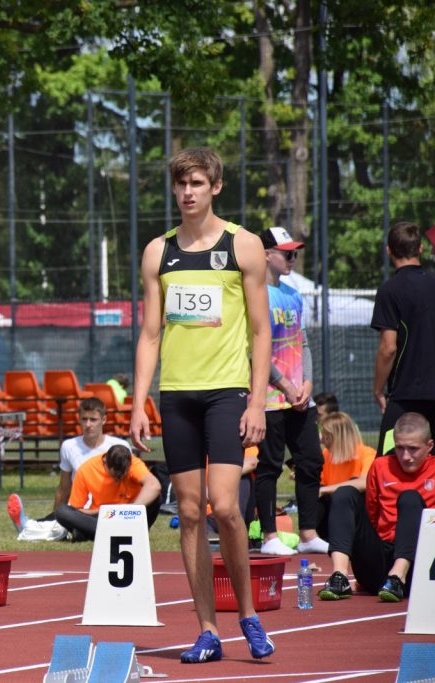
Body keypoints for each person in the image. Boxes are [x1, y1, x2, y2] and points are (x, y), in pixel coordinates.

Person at [128, 148, 275, 664]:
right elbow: (150, 334)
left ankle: (250, 617)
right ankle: (207, 630)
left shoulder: (244, 246)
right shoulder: (158, 253)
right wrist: (138, 399)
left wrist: (258, 401)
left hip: (227, 391)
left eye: (196, 183)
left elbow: (262, 331)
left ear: (215, 186)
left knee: (227, 506)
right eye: (180, 184)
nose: (187, 192)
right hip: (178, 395)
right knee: (189, 511)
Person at [254, 227, 327, 557]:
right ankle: (269, 536)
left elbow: (305, 343)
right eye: (287, 253)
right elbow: (253, 349)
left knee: (310, 461)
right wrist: (284, 384)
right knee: (269, 465)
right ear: (267, 254)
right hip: (269, 399)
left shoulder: (293, 295)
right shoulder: (253, 295)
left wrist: (307, 384)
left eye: (295, 253)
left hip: (300, 398)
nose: (292, 259)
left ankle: (308, 534)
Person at [318, 412, 435, 602]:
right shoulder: (381, 466)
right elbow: (372, 513)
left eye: (413, 449)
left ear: (430, 446)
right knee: (345, 493)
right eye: (400, 448)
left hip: (420, 565)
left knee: (410, 498)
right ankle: (339, 576)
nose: (405, 456)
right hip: (379, 559)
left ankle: (397, 577)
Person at [371, 221, 435, 454]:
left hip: (404, 395)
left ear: (388, 250)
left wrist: (378, 389)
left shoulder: (390, 290)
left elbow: (388, 348)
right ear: (420, 249)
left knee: (388, 460)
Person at [7, 397, 131, 528]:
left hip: (108, 511)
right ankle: (32, 525)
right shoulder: (69, 446)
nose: (88, 424)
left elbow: (128, 484)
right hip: (78, 510)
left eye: (93, 420)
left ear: (103, 420)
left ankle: (28, 526)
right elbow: (63, 488)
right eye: (84, 419)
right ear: (79, 419)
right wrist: (55, 517)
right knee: (59, 523)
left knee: (70, 528)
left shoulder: (120, 446)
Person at [54, 444, 162, 540]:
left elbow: (154, 485)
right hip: (103, 517)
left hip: (130, 516)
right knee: (62, 511)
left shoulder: (134, 464)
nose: (118, 479)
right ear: (105, 463)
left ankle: (93, 533)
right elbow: (77, 509)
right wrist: (98, 511)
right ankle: (118, 533)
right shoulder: (87, 469)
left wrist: (132, 509)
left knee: (155, 497)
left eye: (122, 475)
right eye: (115, 475)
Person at [315, 411, 377, 540]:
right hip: (330, 513)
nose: (322, 441)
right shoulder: (326, 455)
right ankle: (312, 538)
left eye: (326, 437)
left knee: (342, 495)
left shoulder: (367, 453)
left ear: (338, 437)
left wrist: (325, 490)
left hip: (356, 514)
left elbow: (364, 482)